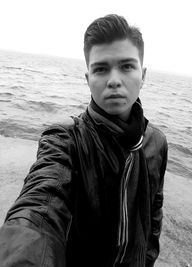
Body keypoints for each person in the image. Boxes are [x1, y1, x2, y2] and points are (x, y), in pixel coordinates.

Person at [0, 14, 168, 267]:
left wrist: (147, 258)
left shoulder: (157, 141)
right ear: (88, 78)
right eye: (101, 68)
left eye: (126, 66)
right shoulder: (66, 138)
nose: (114, 80)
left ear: (143, 75)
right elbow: (41, 203)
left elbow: (153, 212)